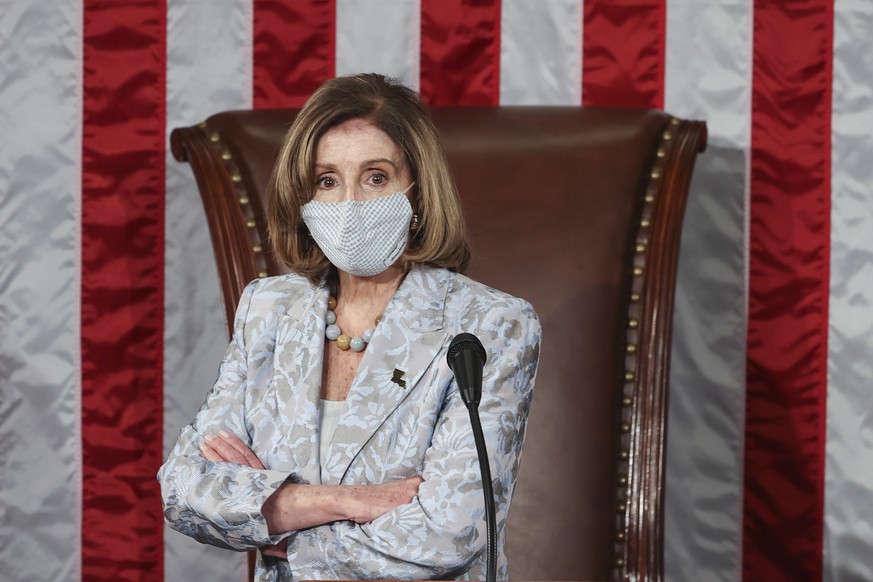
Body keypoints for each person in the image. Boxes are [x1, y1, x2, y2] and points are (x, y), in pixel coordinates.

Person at [158, 73, 542, 581]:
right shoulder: (268, 308)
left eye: (376, 177)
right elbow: (185, 487)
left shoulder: (492, 325)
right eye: (327, 180)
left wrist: (280, 525)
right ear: (304, 197)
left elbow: (449, 534)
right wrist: (345, 501)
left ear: (419, 190)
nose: (351, 204)